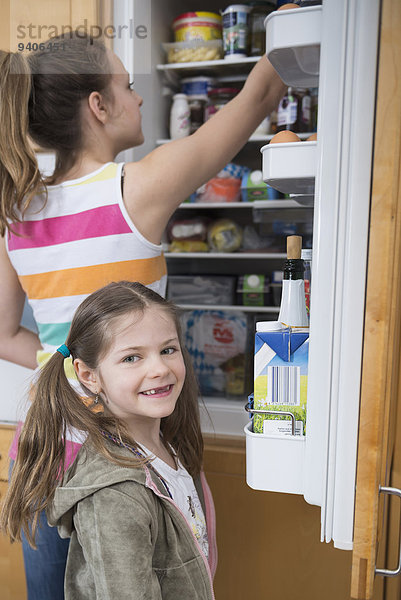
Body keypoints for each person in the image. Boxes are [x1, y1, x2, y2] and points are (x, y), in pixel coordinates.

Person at [0, 31, 285, 599]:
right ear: (98, 107)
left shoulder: (19, 208)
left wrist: (76, 363)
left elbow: (4, 333)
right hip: (131, 443)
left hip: (45, 446)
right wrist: (296, 24)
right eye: (127, 87)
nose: (139, 99)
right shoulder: (139, 186)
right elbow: (254, 101)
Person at [1, 280, 216, 599]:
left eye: (167, 350)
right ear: (89, 376)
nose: (159, 368)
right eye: (132, 358)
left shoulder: (165, 447)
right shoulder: (115, 494)